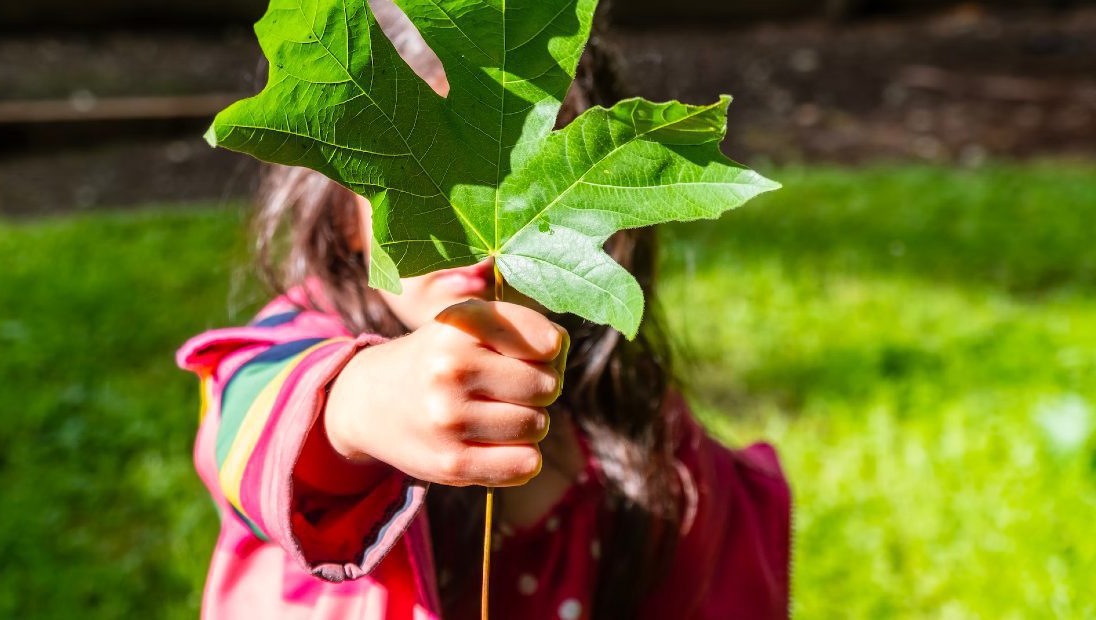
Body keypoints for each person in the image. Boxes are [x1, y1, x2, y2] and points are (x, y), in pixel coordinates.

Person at [177, 2, 790, 618]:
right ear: (343, 212)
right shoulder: (297, 345)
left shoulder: (636, 423)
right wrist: (360, 406)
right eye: (427, 179)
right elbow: (248, 425)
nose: (473, 227)